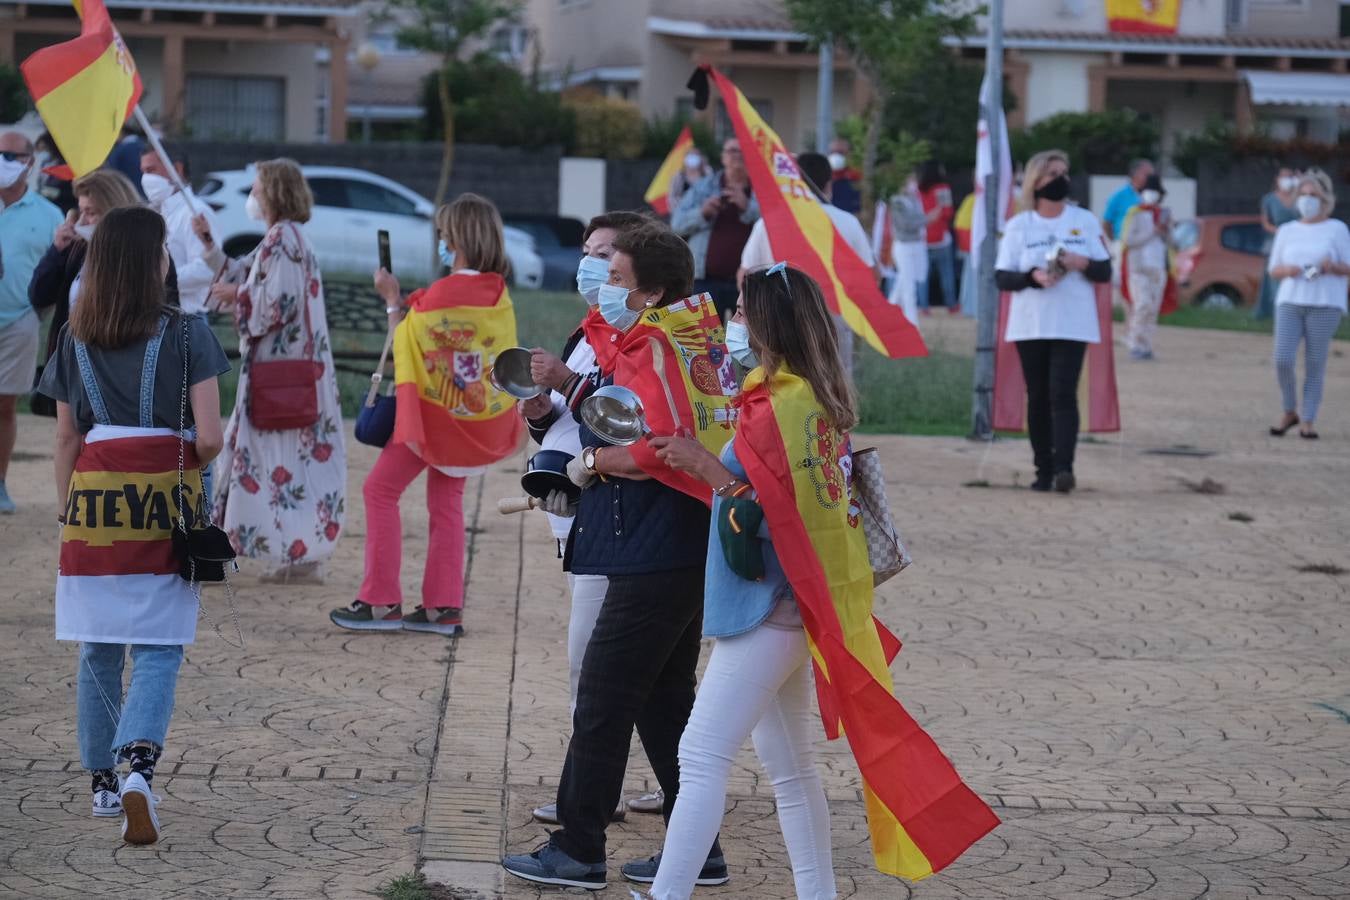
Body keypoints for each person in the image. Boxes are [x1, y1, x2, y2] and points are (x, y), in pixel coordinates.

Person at [502, 223, 728, 891]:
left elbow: (661, 443)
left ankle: (578, 847)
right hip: (677, 535)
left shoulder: (656, 343)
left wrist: (594, 461)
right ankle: (698, 848)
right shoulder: (687, 333)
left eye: (615, 273)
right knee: (662, 701)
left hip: (652, 538)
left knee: (604, 694)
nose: (600, 282)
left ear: (651, 290)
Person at [633, 263, 849, 899]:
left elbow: (766, 513)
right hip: (793, 601)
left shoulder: (775, 407)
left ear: (767, 324)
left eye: (741, 312)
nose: (732, 324)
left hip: (766, 604)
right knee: (791, 768)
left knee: (699, 757)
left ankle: (667, 896)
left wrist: (707, 466)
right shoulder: (812, 397)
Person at [36, 206, 229, 844]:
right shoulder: (189, 333)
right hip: (165, 503)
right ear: (154, 263)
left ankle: (100, 784)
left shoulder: (73, 336)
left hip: (92, 499)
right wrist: (174, 462)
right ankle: (137, 766)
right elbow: (209, 438)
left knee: (97, 642)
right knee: (158, 645)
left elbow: (65, 437)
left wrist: (69, 510)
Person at [330, 192, 522, 634]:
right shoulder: (497, 295)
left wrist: (393, 300)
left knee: (379, 491)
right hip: (474, 419)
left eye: (443, 234)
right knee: (447, 502)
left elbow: (404, 341)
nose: (440, 242)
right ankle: (442, 607)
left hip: (433, 416)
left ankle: (380, 602)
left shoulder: (442, 295)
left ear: (456, 238)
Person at [518, 210, 650, 825]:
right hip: (577, 516)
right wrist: (540, 408)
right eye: (587, 252)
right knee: (625, 670)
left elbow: (631, 424)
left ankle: (595, 800)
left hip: (618, 522)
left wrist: (567, 380)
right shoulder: (588, 329)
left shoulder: (640, 337)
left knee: (595, 665)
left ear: (635, 271)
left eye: (606, 256)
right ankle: (654, 786)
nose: (591, 265)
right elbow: (569, 424)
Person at [200, 159, 347, 582]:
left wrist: (237, 296)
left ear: (274, 193)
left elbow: (276, 301)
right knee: (285, 461)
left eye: (259, 187)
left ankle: (284, 552)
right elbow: (253, 276)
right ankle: (296, 552)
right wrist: (213, 251)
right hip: (293, 370)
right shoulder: (284, 238)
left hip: (279, 373)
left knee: (267, 458)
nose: (253, 195)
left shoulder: (283, 238)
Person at [995, 149, 1112, 494]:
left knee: (1063, 393)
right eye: (1051, 174)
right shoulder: (1020, 225)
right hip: (1031, 324)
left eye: (1064, 172)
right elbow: (1003, 277)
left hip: (1073, 321)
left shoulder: (1084, 220)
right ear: (1036, 182)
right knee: (1039, 395)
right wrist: (1033, 277)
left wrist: (1082, 262)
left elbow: (1105, 270)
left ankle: (1064, 469)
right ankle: (1042, 469)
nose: (1060, 179)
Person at [738, 152, 876, 375]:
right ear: (829, 185)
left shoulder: (768, 224)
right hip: (833, 322)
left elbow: (745, 277)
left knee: (781, 388)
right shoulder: (847, 222)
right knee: (834, 389)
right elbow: (869, 277)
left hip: (777, 324)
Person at [0, 130, 64, 514]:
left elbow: (59, 270)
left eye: (10, 154)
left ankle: (0, 484)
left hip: (20, 321)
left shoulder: (49, 215)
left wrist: (40, 309)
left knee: (5, 407)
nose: (3, 159)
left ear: (29, 161)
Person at [29, 170, 146, 375]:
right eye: (81, 211)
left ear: (114, 210)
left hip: (118, 368)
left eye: (91, 212)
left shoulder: (146, 253)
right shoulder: (77, 248)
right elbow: (39, 295)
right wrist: (56, 251)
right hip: (71, 365)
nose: (82, 221)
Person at [1265, 168, 1349, 441]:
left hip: (1324, 302)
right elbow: (1273, 269)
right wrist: (1287, 270)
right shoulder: (1287, 230)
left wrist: (1331, 267)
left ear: (1325, 199)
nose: (1307, 199)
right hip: (1291, 299)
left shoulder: (1336, 229)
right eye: (1303, 194)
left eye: (1313, 194)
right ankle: (1290, 410)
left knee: (1315, 362)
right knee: (1283, 359)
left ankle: (1309, 419)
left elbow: (1347, 266)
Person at [671, 138, 760, 320]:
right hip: (706, 279)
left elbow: (774, 225)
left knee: (747, 340)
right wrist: (702, 213)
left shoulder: (761, 189)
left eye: (741, 151)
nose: (736, 156)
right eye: (731, 151)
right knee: (705, 342)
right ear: (723, 157)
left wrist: (747, 207)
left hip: (751, 282)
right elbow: (677, 224)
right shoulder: (703, 187)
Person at [141, 145, 220, 314]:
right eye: (143, 172)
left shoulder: (195, 212)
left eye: (151, 170)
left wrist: (156, 278)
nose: (145, 179)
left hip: (188, 317)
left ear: (177, 168)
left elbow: (206, 269)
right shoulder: (157, 213)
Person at [1120, 174, 1173, 360]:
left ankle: (1147, 345)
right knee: (1142, 304)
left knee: (1153, 308)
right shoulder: (1135, 213)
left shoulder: (1163, 213)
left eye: (1156, 192)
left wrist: (1166, 231)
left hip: (1158, 266)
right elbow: (1128, 241)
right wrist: (1152, 232)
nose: (1152, 195)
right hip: (1138, 267)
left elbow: (1170, 243)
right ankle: (1135, 342)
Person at [1254, 165, 1301, 322]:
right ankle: (1273, 311)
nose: (1287, 180)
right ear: (1277, 179)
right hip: (1276, 240)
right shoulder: (1269, 199)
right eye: (1284, 176)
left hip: (1296, 241)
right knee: (1274, 277)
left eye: (1290, 176)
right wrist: (1281, 232)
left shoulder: (1299, 198)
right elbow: (1265, 223)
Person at [887, 175, 929, 323]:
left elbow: (919, 219)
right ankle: (913, 323)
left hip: (916, 244)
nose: (913, 185)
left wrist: (923, 220)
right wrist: (926, 219)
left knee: (903, 281)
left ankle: (889, 311)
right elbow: (905, 224)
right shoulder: (896, 201)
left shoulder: (915, 200)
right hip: (903, 246)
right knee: (908, 286)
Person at [918, 161, 957, 313]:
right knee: (947, 273)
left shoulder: (917, 191)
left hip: (922, 239)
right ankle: (951, 304)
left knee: (923, 276)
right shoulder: (943, 189)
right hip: (942, 239)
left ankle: (924, 306)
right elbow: (947, 213)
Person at [1102, 158, 1154, 241]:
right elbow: (1106, 222)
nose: (1151, 178)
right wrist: (1115, 242)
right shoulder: (1119, 195)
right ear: (1135, 174)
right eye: (1147, 174)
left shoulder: (1152, 196)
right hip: (1124, 246)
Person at [34, 131, 76, 214]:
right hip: (45, 208)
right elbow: (41, 185)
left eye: (45, 148)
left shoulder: (67, 165)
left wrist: (57, 193)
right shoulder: (45, 163)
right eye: (40, 150)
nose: (43, 153)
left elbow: (75, 193)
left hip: (63, 209)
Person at [667, 149, 709, 216]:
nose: (692, 159)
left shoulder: (706, 177)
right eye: (690, 155)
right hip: (681, 216)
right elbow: (671, 198)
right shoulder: (678, 177)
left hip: (700, 216)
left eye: (695, 156)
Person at [827, 137, 862, 215]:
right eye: (833, 152)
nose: (836, 156)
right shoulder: (823, 177)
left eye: (840, 152)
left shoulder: (856, 177)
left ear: (848, 154)